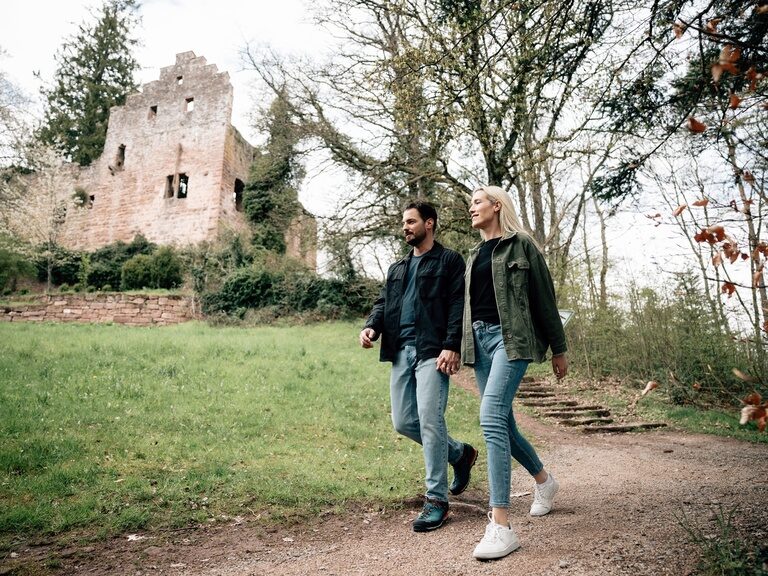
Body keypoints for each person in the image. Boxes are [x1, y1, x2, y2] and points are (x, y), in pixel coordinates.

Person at [462, 185, 568, 560]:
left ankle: (501, 525)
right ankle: (544, 481)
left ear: (496, 205)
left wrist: (560, 348)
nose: (471, 208)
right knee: (503, 424)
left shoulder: (522, 245)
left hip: (513, 341)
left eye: (476, 202)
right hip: (480, 342)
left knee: (490, 417)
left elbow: (545, 298)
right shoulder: (473, 254)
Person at [360, 200, 478, 532]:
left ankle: (437, 500)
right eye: (404, 223)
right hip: (400, 350)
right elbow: (383, 303)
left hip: (432, 351)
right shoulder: (397, 268)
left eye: (411, 222)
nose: (405, 227)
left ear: (430, 224)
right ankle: (459, 454)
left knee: (429, 419)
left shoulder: (449, 260)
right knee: (403, 421)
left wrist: (451, 344)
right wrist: (372, 326)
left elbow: (458, 304)